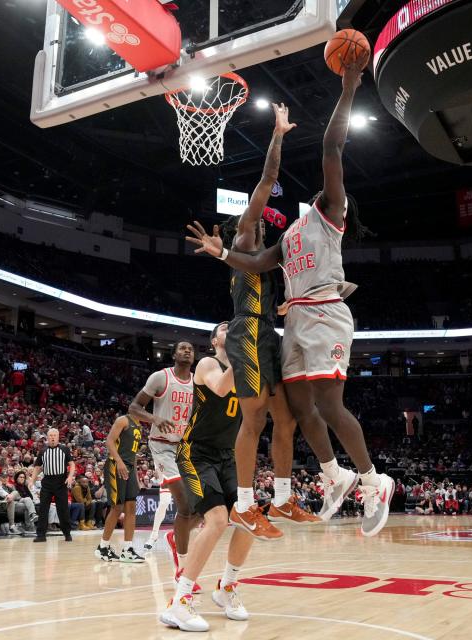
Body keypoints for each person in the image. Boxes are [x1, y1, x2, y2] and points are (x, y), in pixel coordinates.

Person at [184, 64, 395, 537]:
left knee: (321, 404)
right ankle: (331, 475)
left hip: (321, 314)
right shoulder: (290, 234)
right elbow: (258, 264)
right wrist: (223, 253)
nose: (326, 188)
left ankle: (371, 480)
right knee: (298, 408)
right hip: (289, 322)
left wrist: (347, 90)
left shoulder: (329, 216)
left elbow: (332, 147)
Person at [210, 103, 319, 540]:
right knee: (253, 420)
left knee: (286, 418)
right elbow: (267, 181)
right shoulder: (244, 239)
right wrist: (278, 134)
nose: (257, 225)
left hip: (267, 333)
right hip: (246, 332)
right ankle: (242, 505)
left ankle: (282, 498)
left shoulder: (269, 259)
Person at [159, 322, 250, 632]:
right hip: (196, 452)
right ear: (215, 340)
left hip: (227, 455)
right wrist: (245, 351)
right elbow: (223, 387)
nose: (231, 328)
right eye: (225, 328)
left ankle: (227, 587)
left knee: (249, 518)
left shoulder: (246, 367)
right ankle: (178, 602)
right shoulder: (209, 363)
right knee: (216, 520)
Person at [128, 343, 199, 581]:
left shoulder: (198, 383)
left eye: (190, 348)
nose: (187, 351)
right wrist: (154, 418)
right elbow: (134, 407)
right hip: (161, 446)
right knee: (184, 504)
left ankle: (174, 536)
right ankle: (183, 569)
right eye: (182, 348)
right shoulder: (161, 377)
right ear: (174, 354)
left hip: (186, 448)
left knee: (205, 505)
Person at [95, 415, 144, 563]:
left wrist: (136, 477)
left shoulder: (139, 426)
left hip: (129, 468)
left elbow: (134, 455)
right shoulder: (123, 420)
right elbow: (109, 441)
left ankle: (127, 550)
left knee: (131, 507)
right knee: (117, 507)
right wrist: (119, 461)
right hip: (116, 465)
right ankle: (103, 547)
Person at [31, 428, 75, 542]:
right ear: (47, 437)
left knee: (63, 509)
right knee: (43, 509)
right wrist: (32, 480)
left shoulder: (64, 449)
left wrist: (70, 477)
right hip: (47, 482)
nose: (53, 437)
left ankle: (67, 533)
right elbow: (37, 467)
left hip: (61, 482)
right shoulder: (43, 450)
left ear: (58, 436)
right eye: (50, 435)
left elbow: (72, 464)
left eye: (55, 435)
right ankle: (41, 535)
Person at [143, 468, 173, 554]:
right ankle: (154, 534)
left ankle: (175, 536)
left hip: (180, 466)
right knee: (164, 502)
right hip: (164, 466)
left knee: (184, 505)